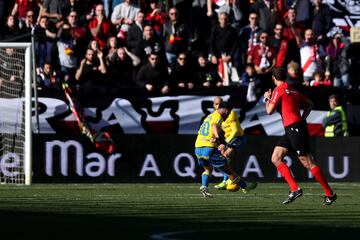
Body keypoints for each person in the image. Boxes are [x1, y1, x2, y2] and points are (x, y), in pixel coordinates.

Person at [263, 67, 337, 205]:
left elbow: (269, 111)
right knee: (276, 157)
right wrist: (302, 118)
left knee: (308, 163)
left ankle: (330, 193)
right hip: (293, 128)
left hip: (294, 128)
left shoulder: (278, 90)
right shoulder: (292, 89)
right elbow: (310, 104)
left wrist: (266, 99)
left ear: (273, 78)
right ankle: (295, 189)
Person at [194, 101, 250, 197]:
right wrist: (217, 138)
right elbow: (214, 125)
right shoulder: (218, 117)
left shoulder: (209, 116)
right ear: (226, 110)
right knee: (229, 172)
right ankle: (245, 187)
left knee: (208, 169)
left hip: (198, 148)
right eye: (228, 113)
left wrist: (218, 139)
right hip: (209, 149)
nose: (228, 116)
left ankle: (204, 186)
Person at [212, 97, 257, 192]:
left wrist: (226, 143)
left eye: (219, 104)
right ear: (213, 105)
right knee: (222, 159)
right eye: (216, 104)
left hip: (238, 138)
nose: (217, 106)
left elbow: (235, 131)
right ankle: (243, 186)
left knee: (225, 156)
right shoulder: (216, 116)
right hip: (228, 139)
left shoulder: (230, 113)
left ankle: (225, 182)